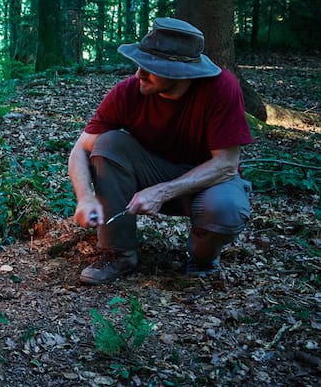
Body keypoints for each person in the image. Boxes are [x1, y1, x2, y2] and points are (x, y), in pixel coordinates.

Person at [68, 17, 252, 285]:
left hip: (209, 183)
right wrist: (85, 197)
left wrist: (162, 191)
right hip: (152, 172)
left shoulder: (221, 88)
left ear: (183, 72)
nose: (139, 74)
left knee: (226, 208)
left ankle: (203, 258)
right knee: (107, 143)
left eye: (152, 68)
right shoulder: (128, 92)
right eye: (140, 63)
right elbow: (80, 149)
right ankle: (117, 254)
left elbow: (226, 164)